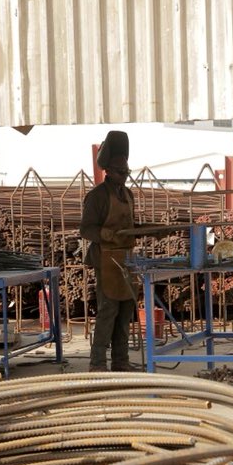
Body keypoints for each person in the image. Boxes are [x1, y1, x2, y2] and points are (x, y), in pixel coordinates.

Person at [79, 130, 139, 372]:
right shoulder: (97, 197)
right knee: (107, 312)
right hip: (105, 260)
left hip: (126, 258)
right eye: (120, 173)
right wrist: (108, 235)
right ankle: (97, 364)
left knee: (125, 312)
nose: (124, 177)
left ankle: (121, 361)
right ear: (108, 171)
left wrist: (150, 231)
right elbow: (86, 229)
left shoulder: (128, 195)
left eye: (126, 173)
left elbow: (131, 226)